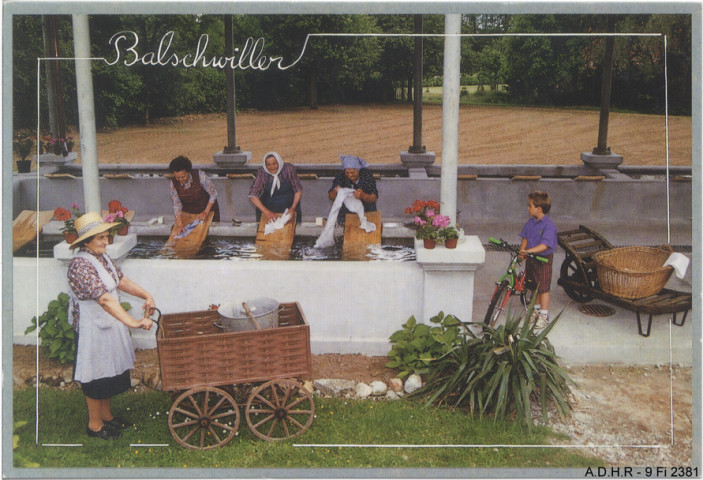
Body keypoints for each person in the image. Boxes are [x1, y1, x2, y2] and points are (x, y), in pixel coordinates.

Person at [67, 212, 156, 440]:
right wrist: (134, 322)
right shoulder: (80, 265)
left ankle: (106, 416)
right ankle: (94, 425)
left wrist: (147, 294)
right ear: (86, 241)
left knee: (107, 371)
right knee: (95, 375)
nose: (106, 241)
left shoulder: (102, 257)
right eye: (100, 238)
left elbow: (120, 280)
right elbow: (105, 299)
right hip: (91, 328)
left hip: (107, 322)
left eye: (106, 236)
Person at [518, 191, 558, 329]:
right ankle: (535, 310)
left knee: (543, 288)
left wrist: (528, 251)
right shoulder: (530, 223)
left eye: (530, 206)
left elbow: (544, 245)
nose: (528, 208)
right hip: (531, 258)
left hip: (543, 260)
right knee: (534, 285)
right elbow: (525, 238)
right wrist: (522, 254)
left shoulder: (549, 225)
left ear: (538, 209)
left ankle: (544, 314)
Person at [168, 155, 220, 236]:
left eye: (183, 177)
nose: (180, 180)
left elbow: (213, 194)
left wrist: (205, 212)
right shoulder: (173, 184)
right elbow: (177, 204)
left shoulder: (201, 176)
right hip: (190, 213)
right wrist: (179, 223)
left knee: (208, 236)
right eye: (177, 178)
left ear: (188, 172)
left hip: (208, 210)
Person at [248, 152, 303, 222]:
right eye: (269, 165)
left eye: (274, 163)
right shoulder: (262, 173)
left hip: (289, 210)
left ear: (279, 162)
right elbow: (253, 195)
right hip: (269, 211)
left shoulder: (288, 169)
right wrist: (267, 212)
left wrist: (292, 208)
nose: (272, 167)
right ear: (265, 165)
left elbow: (298, 190)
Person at [328, 155, 378, 225]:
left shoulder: (366, 176)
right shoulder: (341, 176)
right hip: (346, 217)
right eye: (347, 173)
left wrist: (363, 196)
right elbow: (331, 196)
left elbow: (374, 197)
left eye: (352, 172)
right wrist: (336, 192)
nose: (350, 175)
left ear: (358, 170)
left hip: (367, 215)